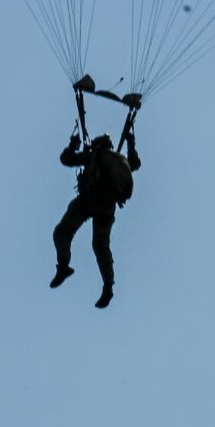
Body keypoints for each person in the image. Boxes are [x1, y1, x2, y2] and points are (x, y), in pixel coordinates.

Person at [50, 129, 141, 309]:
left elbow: (66, 160)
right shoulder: (120, 160)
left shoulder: (94, 156)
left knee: (62, 232)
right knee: (101, 246)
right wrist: (131, 143)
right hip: (107, 207)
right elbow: (135, 164)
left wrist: (72, 145)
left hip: (88, 201)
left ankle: (63, 265)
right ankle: (108, 286)